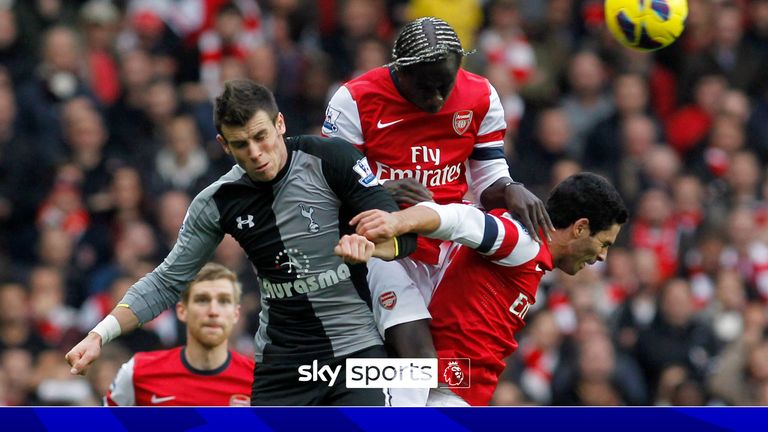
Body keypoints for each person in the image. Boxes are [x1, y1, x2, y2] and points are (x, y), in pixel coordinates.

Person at [66, 79, 417, 406]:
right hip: (282, 365)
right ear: (224, 144)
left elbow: (405, 235)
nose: (255, 153)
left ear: (280, 123)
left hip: (355, 351)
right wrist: (99, 334)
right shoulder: (218, 201)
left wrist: (374, 246)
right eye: (240, 144)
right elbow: (167, 280)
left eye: (261, 136)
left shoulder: (331, 159)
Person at [322, 16, 553, 405]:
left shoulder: (481, 96)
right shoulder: (355, 100)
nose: (436, 99)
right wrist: (377, 191)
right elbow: (326, 191)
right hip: (382, 243)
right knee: (420, 361)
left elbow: (488, 179)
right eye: (425, 87)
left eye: (444, 86)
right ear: (401, 69)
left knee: (445, 372)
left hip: (449, 243)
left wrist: (512, 190)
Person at [338, 172, 629, 406]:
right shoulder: (522, 241)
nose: (602, 256)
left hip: (446, 382)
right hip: (442, 386)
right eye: (603, 243)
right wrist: (396, 221)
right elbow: (460, 220)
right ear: (579, 228)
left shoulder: (531, 253)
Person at [105, 263, 254, 406]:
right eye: (202, 300)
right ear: (182, 311)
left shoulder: (259, 380)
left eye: (224, 301)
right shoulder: (137, 372)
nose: (213, 311)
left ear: (236, 314)